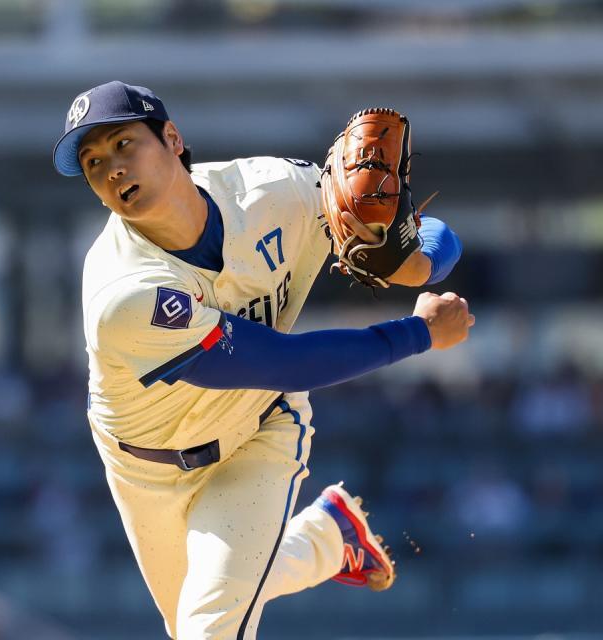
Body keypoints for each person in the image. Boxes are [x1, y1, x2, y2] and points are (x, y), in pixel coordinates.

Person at [53, 81, 471, 639]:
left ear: (172, 139)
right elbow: (279, 360)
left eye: (125, 144)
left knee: (209, 628)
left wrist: (413, 263)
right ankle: (327, 540)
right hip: (143, 466)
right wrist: (417, 334)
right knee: (192, 620)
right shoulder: (124, 291)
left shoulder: (274, 191)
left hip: (257, 431)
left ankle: (326, 541)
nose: (112, 169)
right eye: (93, 161)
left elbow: (434, 239)